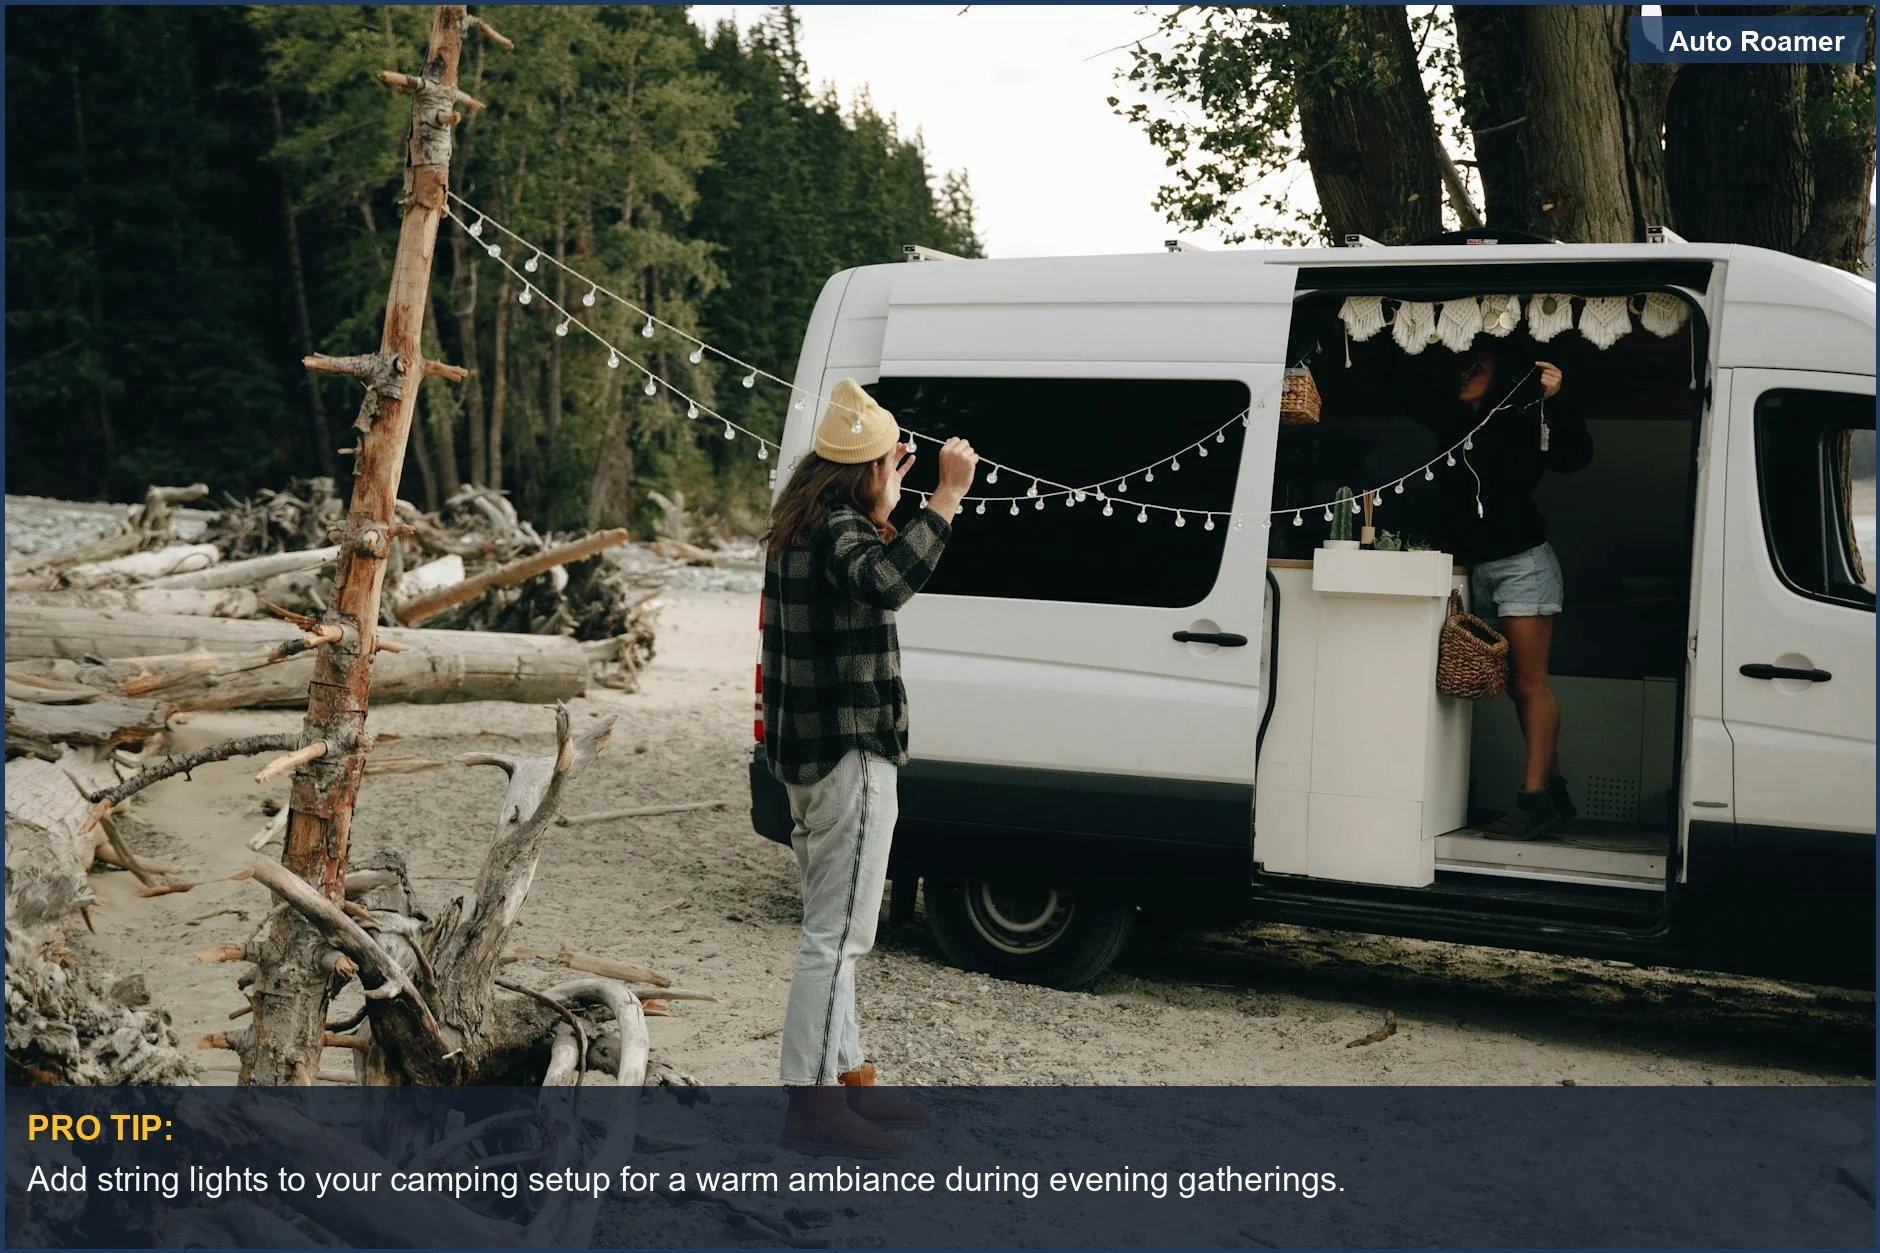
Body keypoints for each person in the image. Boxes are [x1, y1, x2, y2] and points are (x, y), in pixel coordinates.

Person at [759, 377, 978, 1157]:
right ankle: (812, 1110)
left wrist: (888, 508)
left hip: (805, 761)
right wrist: (945, 500)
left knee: (837, 927)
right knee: (838, 935)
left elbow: (861, 578)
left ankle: (847, 1075)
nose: (902, 470)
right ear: (863, 470)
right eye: (891, 461)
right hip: (849, 757)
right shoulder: (838, 531)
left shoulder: (803, 524)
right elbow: (890, 582)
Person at [1416, 348, 1589, 840]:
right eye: (1462, 366)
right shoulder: (1455, 424)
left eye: (1478, 366)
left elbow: (1574, 456)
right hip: (1481, 568)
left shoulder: (1520, 419)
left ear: (1500, 377)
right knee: (1516, 685)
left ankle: (1533, 801)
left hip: (1522, 565)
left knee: (1531, 684)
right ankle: (1553, 791)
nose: (1465, 373)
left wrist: (1556, 399)